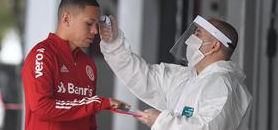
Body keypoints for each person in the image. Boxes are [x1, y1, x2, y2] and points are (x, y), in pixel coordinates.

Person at [100, 15, 252, 130]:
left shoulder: (222, 85)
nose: (190, 40)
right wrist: (113, 44)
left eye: (198, 34)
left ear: (214, 46)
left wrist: (162, 122)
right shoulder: (185, 78)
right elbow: (141, 75)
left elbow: (208, 127)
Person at [22, 0, 127, 130]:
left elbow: (89, 121)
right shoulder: (42, 55)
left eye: (97, 25)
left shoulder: (88, 63)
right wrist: (98, 103)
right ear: (66, 19)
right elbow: (42, 108)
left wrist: (95, 104)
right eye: (89, 23)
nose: (95, 31)